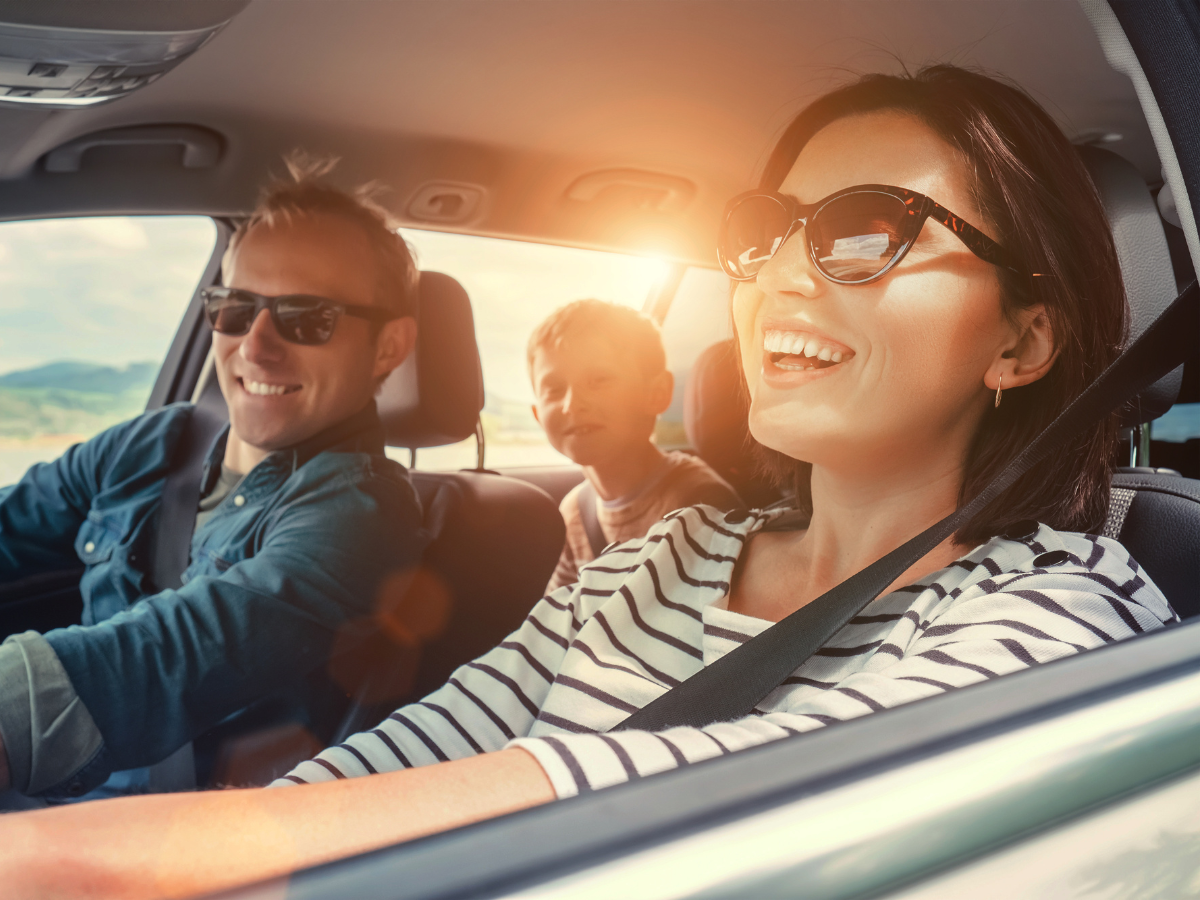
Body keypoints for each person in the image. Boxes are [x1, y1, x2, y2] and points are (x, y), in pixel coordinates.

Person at [0, 65, 1179, 898]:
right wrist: (211, 854)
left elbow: (748, 790)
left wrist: (92, 860)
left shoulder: (1066, 607)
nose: (777, 278)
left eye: (869, 230)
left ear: (1022, 342)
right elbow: (438, 741)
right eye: (768, 230)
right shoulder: (664, 557)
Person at [0, 156, 424, 801]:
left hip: (156, 836)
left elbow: (169, 656)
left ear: (390, 348)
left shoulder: (361, 511)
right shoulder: (157, 443)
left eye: (307, 316)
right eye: (235, 308)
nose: (255, 346)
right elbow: (15, 520)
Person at [528, 299, 741, 590]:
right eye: (553, 389)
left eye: (598, 380)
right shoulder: (575, 510)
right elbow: (558, 618)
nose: (571, 404)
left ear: (657, 393)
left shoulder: (699, 504)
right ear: (538, 415)